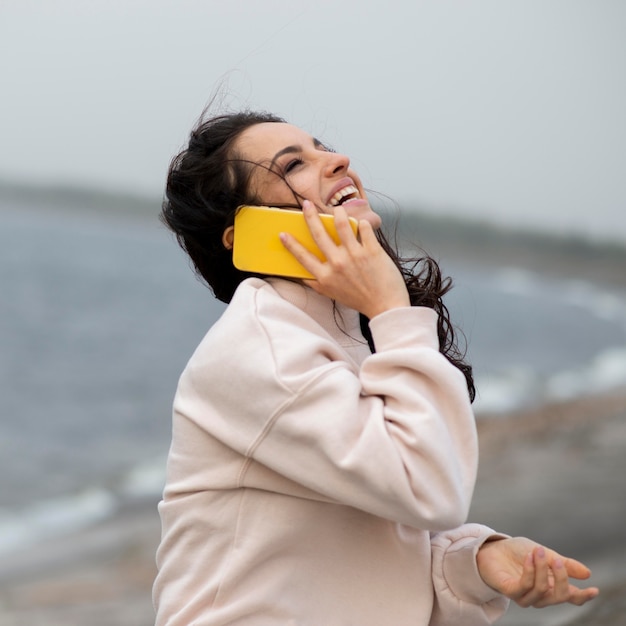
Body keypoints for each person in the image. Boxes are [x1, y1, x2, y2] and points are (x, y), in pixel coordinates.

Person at [152, 110, 598, 625]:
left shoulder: (339, 328)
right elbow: (430, 491)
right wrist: (391, 309)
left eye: (323, 147)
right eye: (294, 164)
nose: (338, 160)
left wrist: (476, 562)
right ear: (247, 233)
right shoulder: (261, 349)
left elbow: (379, 541)